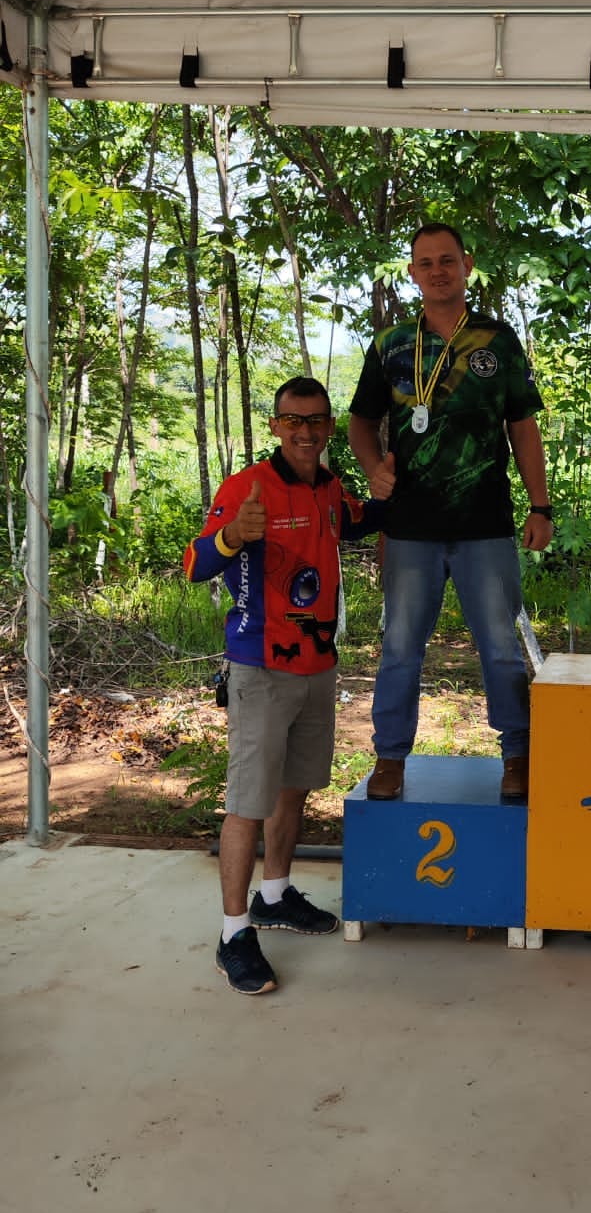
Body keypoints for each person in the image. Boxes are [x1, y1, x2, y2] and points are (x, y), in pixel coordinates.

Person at [184, 377, 387, 995]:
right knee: (248, 803)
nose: (305, 431)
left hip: (317, 666)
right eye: (293, 420)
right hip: (261, 669)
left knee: (294, 788)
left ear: (329, 427)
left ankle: (273, 895)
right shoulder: (247, 488)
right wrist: (232, 536)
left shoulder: (329, 487)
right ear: (275, 425)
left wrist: (388, 491)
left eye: (316, 420)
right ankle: (233, 934)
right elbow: (196, 565)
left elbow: (358, 522)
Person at [347, 222, 552, 804]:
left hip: (484, 523)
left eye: (447, 260)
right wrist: (373, 469)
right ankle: (390, 757)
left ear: (467, 265)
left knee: (500, 647)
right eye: (426, 262)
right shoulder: (391, 344)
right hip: (409, 525)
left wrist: (540, 505)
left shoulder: (497, 340)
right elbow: (360, 421)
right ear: (412, 273)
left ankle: (517, 755)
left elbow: (523, 426)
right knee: (400, 646)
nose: (437, 271)